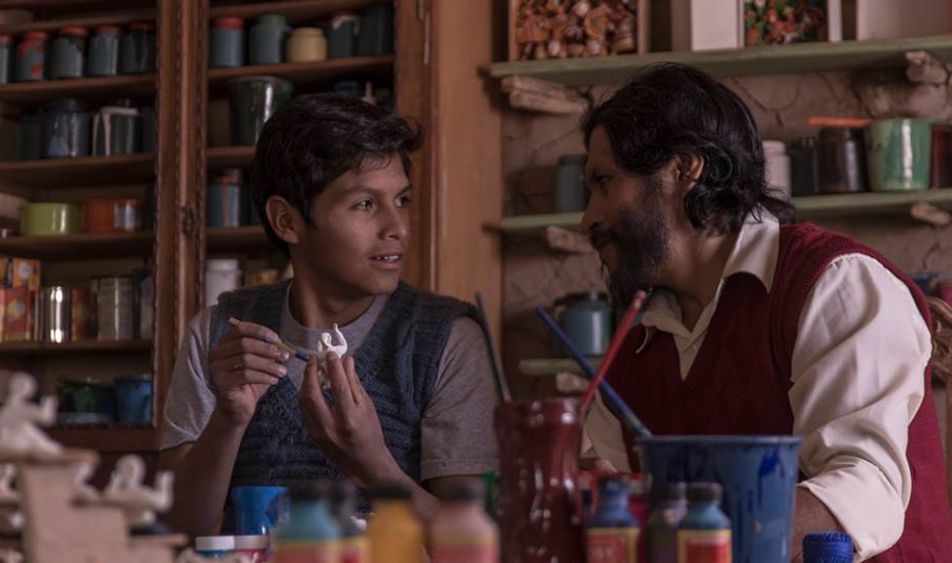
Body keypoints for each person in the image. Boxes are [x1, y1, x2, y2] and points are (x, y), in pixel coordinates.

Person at [578, 63, 952, 561]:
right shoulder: (637, 348)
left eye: (604, 182)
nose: (589, 217)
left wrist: (694, 533)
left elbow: (863, 488)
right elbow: (602, 488)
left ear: (684, 170)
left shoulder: (832, 282)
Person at [159, 94, 499, 536]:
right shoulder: (220, 335)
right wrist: (228, 419)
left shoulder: (447, 341)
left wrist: (373, 465)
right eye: (365, 204)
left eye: (402, 200)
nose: (397, 227)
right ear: (287, 221)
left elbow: (476, 545)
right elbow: (179, 535)